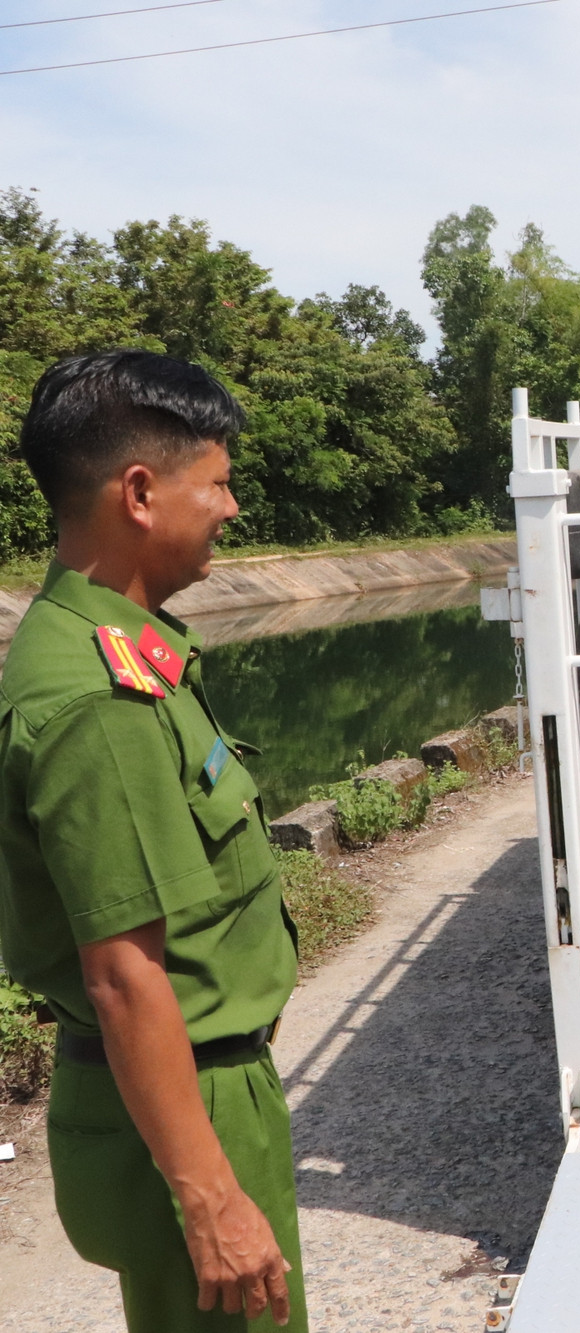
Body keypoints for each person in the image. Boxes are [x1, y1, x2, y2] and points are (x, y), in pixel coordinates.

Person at [0, 352, 303, 1329]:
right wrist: (210, 1197)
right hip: (186, 1103)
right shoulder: (101, 701)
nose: (231, 506)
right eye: (214, 481)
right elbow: (125, 977)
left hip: (189, 1089)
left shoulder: (111, 648)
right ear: (140, 492)